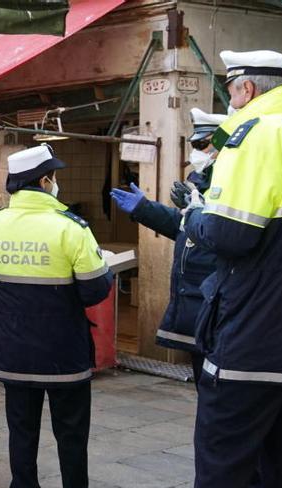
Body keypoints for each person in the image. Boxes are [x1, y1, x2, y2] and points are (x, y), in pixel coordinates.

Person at [183, 49, 282, 488]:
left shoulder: (255, 137)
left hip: (254, 339)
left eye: (233, 94)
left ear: (246, 89)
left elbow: (230, 235)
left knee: (224, 465)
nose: (232, 105)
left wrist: (193, 214)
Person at [0, 145, 112, 488]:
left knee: (21, 429)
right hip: (64, 354)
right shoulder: (72, 229)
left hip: (14, 353)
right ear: (44, 180)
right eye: (54, 176)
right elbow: (96, 290)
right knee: (71, 432)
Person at [109, 108, 225, 383]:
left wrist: (196, 211)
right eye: (193, 145)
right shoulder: (202, 181)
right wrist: (145, 209)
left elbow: (225, 232)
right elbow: (184, 228)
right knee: (207, 390)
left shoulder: (233, 181)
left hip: (218, 302)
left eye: (202, 144)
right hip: (196, 300)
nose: (196, 152)